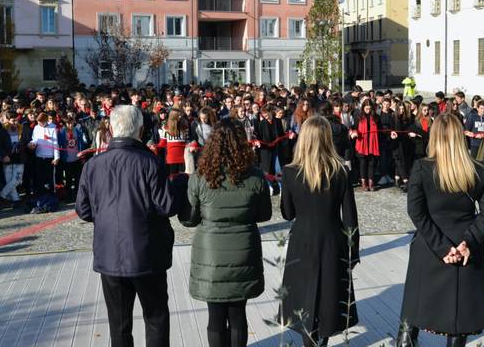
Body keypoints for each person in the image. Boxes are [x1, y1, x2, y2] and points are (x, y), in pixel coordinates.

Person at [76, 105, 185, 347]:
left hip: (110, 254)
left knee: (119, 325)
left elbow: (83, 210)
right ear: (141, 129)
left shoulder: (93, 165)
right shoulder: (150, 162)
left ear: (112, 129)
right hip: (147, 253)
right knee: (155, 318)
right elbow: (166, 206)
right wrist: (179, 185)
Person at [397, 114, 484, 347]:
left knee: (412, 314)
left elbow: (416, 212)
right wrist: (468, 243)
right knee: (459, 321)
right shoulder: (478, 171)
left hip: (429, 247)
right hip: (465, 250)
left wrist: (442, 247)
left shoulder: (422, 168)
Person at [182, 118, 272, 347]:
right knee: (238, 315)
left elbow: (191, 219)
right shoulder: (254, 176)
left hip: (211, 253)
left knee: (215, 316)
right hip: (243, 249)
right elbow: (264, 215)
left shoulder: (201, 177)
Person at [280, 115, 359, 347]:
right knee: (327, 299)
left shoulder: (290, 172)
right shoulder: (341, 171)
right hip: (332, 239)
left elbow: (287, 213)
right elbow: (351, 218)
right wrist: (354, 252)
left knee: (304, 300)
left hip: (302, 239)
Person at [351, 99, 380, 191]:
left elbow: (380, 129)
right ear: (363, 107)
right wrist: (354, 132)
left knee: (372, 163)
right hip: (362, 142)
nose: (367, 108)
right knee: (363, 163)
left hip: (372, 143)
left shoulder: (376, 117)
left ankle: (371, 182)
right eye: (366, 107)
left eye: (369, 107)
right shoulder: (358, 116)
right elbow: (354, 127)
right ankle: (364, 182)